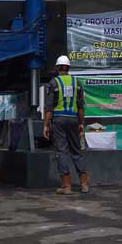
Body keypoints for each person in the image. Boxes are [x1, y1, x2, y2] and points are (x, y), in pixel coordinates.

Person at [43, 55, 88, 195]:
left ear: (57, 67)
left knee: (62, 151)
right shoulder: (77, 83)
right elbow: (81, 107)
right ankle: (84, 184)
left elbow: (49, 107)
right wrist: (82, 123)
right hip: (74, 119)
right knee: (76, 151)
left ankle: (66, 186)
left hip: (59, 120)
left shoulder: (53, 83)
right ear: (68, 67)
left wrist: (45, 125)